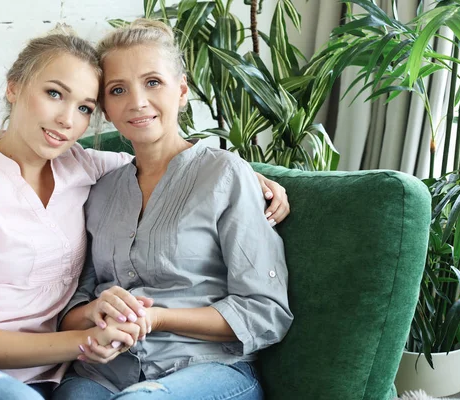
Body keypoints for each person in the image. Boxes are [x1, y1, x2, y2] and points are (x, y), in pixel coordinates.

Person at [0, 26, 289, 400]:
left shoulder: (83, 168)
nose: (67, 119)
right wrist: (88, 336)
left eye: (85, 107)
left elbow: (173, 165)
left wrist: (250, 177)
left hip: (79, 372)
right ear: (13, 87)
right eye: (54, 93)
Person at [53, 19, 294, 400]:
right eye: (118, 90)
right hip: (103, 373)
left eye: (153, 82)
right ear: (105, 108)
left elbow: (264, 311)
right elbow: (71, 310)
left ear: (181, 91)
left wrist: (158, 317)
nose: (137, 102)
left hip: (207, 368)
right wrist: (98, 310)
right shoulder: (99, 189)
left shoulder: (226, 174)